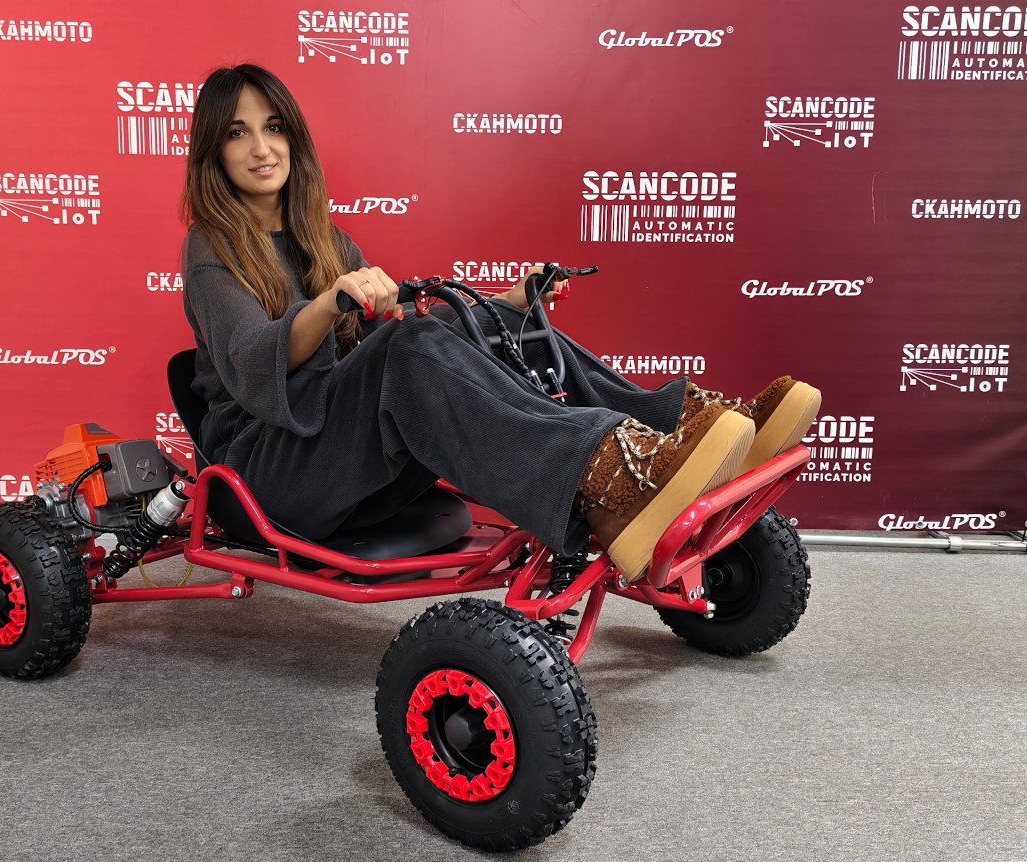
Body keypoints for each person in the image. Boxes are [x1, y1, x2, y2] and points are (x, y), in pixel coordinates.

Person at [179, 64, 821, 583]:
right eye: (238, 133)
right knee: (410, 341)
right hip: (270, 473)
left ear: (294, 137)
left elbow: (396, 352)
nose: (262, 148)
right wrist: (327, 304)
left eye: (273, 127)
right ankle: (610, 478)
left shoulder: (328, 241)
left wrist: (504, 306)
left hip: (341, 451)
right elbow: (248, 361)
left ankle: (673, 430)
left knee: (486, 325)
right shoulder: (211, 248)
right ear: (214, 152)